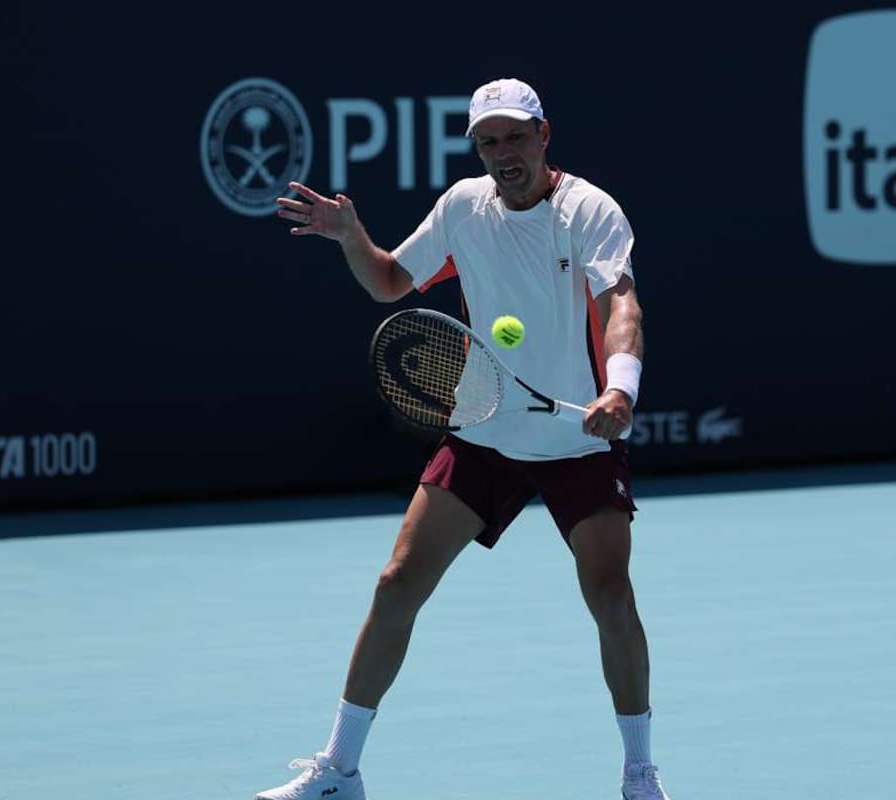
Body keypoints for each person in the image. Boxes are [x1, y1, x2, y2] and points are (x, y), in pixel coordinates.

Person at [259, 78, 673, 800]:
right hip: (485, 426)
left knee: (610, 594)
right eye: (489, 141)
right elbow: (390, 281)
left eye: (515, 137)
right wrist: (352, 238)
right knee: (398, 582)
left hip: (579, 439)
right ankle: (338, 771)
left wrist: (620, 388)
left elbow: (623, 306)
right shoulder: (462, 208)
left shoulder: (589, 211)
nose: (503, 153)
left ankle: (640, 775)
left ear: (545, 136)